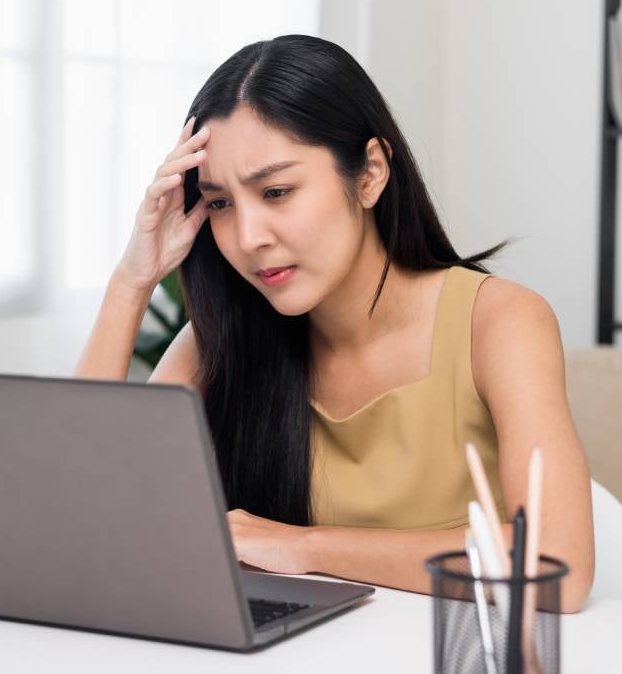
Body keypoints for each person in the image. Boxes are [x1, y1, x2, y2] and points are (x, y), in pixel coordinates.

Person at [74, 34, 593, 612]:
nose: (249, 238)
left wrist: (303, 548)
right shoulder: (222, 341)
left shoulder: (498, 322)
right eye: (220, 203)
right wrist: (131, 284)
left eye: (277, 191)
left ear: (370, 173)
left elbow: (554, 564)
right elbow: (83, 516)